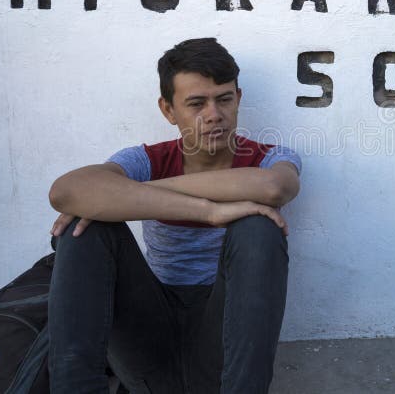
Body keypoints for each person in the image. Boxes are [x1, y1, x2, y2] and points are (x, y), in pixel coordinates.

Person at [47, 38, 301, 394]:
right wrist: (209, 211)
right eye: (196, 103)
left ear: (238, 99)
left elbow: (275, 188)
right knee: (81, 225)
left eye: (224, 99)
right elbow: (65, 191)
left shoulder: (268, 159)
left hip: (223, 339)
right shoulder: (145, 160)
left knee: (259, 227)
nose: (214, 114)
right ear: (168, 110)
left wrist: (141, 193)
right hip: (150, 337)